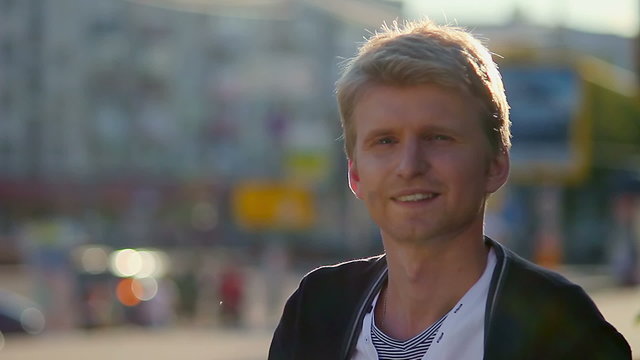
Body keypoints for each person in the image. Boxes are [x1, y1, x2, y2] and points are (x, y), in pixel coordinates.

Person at [268, 19, 631, 360]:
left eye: (438, 137)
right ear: (355, 174)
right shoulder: (316, 311)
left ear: (495, 165)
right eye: (385, 141)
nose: (410, 166)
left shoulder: (561, 331)